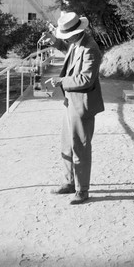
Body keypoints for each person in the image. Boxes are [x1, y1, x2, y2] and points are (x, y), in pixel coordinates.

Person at [41, 12, 105, 205]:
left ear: (75, 33)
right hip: (70, 101)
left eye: (65, 36)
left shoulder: (90, 49)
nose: (65, 39)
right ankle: (70, 183)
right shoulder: (77, 42)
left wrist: (60, 80)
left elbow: (86, 79)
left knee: (81, 147)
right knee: (67, 145)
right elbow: (68, 49)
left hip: (82, 104)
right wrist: (54, 41)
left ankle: (82, 190)